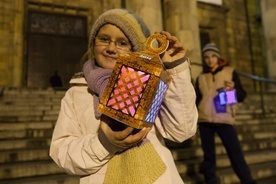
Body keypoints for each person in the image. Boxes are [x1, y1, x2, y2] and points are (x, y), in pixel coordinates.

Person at [50, 8, 198, 184]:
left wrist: (175, 68)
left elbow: (182, 131)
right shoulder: (77, 93)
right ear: (93, 43)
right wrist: (105, 143)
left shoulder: (151, 84)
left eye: (122, 43)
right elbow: (62, 152)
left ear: (135, 50)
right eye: (104, 39)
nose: (111, 48)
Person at [194, 43, 256, 184]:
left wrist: (232, 90)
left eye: (213, 56)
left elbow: (241, 96)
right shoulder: (201, 76)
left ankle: (248, 181)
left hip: (225, 119)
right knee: (209, 157)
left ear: (218, 57)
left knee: (236, 155)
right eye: (207, 57)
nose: (210, 60)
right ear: (204, 59)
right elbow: (197, 100)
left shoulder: (230, 72)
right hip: (205, 121)